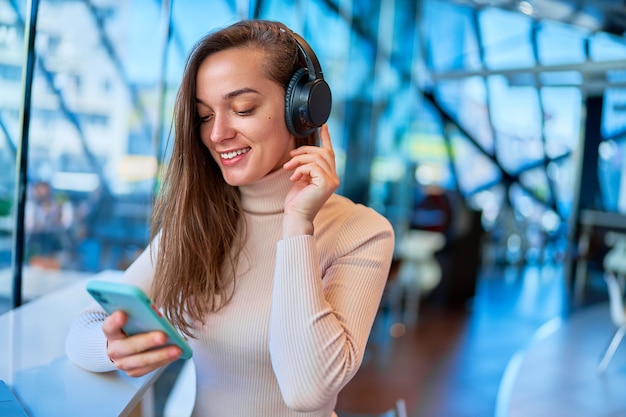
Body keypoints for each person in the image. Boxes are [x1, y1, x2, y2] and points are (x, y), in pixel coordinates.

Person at [66, 19, 395, 417]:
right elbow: (83, 328)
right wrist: (112, 348)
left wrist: (297, 226)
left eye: (242, 109)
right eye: (204, 116)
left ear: (303, 110)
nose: (217, 133)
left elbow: (308, 391)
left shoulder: (363, 232)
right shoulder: (199, 222)